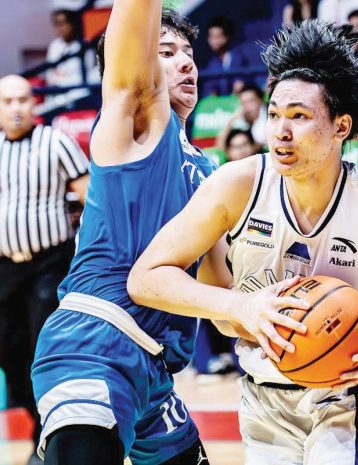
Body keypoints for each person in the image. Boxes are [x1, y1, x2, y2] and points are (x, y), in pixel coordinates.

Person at [128, 20, 358, 464]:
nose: (280, 130)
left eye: (299, 117)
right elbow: (146, 278)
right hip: (262, 398)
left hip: (348, 395)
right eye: (275, 114)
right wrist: (239, 307)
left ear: (341, 127)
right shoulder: (237, 184)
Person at [30, 3, 218, 465]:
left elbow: (221, 290)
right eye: (167, 52)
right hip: (94, 342)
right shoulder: (137, 124)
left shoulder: (210, 171)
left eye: (189, 52)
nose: (186, 62)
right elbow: (133, 66)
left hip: (155, 371)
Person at [0, 75, 89, 465]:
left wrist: (89, 252)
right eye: (8, 101)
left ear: (34, 104)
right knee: (2, 346)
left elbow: (91, 196)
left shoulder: (56, 142)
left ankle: (48, 435)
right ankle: (40, 419)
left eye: (23, 99)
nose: (16, 107)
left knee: (42, 349)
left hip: (51, 262)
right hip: (7, 267)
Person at [42, 9, 99, 113]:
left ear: (72, 24)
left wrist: (62, 78)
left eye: (64, 23)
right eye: (57, 24)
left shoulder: (84, 46)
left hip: (79, 94)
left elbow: (85, 77)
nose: (61, 28)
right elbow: (50, 75)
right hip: (57, 94)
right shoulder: (54, 45)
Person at [202, 16, 249, 96]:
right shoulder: (212, 63)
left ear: (227, 37)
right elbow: (210, 89)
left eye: (217, 37)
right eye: (211, 37)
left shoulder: (237, 58)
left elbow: (239, 85)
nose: (213, 41)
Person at [217, 84, 267, 152]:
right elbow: (221, 148)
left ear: (260, 100)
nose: (247, 107)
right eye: (244, 103)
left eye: (251, 101)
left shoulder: (271, 115)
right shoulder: (241, 121)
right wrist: (230, 122)